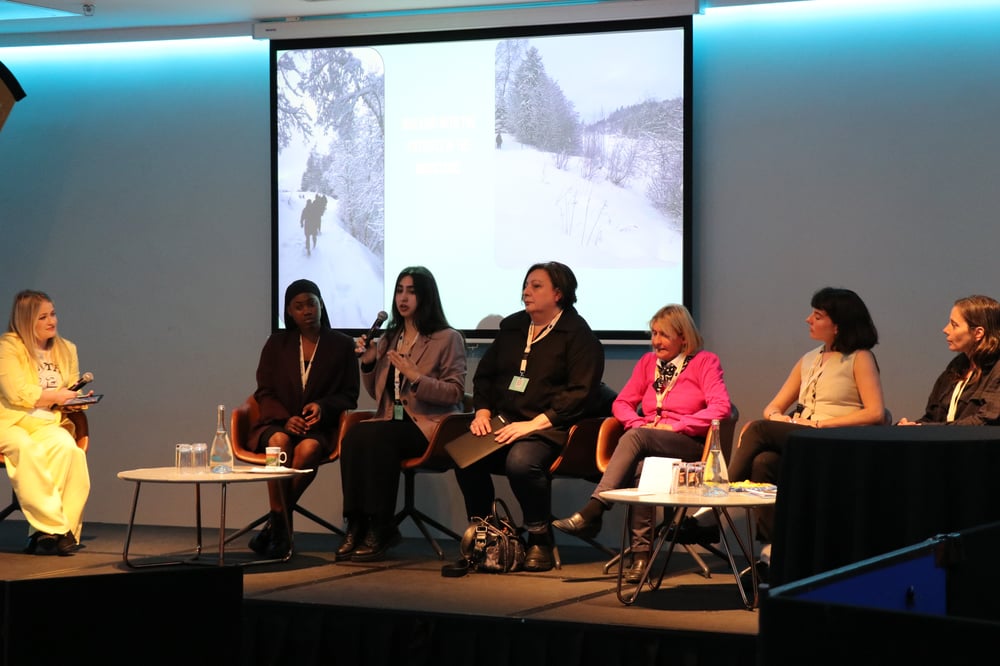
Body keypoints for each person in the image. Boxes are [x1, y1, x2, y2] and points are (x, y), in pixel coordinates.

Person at [552, 304, 731, 583]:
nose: (656, 341)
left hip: (687, 443)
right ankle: (640, 558)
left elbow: (721, 408)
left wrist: (677, 425)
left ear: (683, 337)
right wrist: (638, 423)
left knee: (637, 438)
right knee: (641, 468)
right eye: (654, 333)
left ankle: (594, 510)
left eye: (664, 335)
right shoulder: (648, 364)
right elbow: (622, 403)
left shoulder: (704, 362)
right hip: (648, 440)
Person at [722, 286, 885, 577]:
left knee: (758, 430)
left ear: (838, 325)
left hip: (834, 440)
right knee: (763, 463)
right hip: (803, 436)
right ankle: (772, 556)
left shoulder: (860, 357)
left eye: (817, 315)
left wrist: (819, 425)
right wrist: (780, 419)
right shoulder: (809, 358)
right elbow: (772, 407)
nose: (808, 319)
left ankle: (717, 498)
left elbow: (874, 413)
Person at [453, 261, 604, 572]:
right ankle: (489, 535)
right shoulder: (513, 328)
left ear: (559, 294)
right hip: (506, 422)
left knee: (521, 462)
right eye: (526, 284)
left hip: (553, 427)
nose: (526, 291)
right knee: (465, 455)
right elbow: (485, 376)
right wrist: (482, 411)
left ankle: (539, 537)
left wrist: (533, 425)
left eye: (536, 286)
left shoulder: (577, 335)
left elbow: (580, 393)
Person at [337, 266, 467, 562]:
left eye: (411, 291)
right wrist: (369, 364)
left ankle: (381, 526)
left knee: (377, 436)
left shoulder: (448, 338)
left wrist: (417, 377)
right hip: (390, 420)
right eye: (399, 290)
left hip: (428, 428)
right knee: (355, 433)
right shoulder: (389, 338)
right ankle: (356, 523)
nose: (403, 298)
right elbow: (376, 393)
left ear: (426, 297)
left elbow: (455, 393)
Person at [246, 279, 360, 558]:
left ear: (321, 304)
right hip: (277, 422)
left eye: (312, 303)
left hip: (317, 426)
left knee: (308, 449)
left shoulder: (342, 345)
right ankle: (281, 527)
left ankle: (276, 523)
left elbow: (349, 395)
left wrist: (323, 407)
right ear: (290, 312)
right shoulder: (276, 343)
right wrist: (285, 419)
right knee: (279, 443)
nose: (307, 310)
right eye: (299, 306)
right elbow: (264, 390)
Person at [0, 290, 91, 555]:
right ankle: (57, 529)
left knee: (70, 451)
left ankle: (46, 534)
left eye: (53, 313)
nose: (52, 321)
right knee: (25, 449)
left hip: (46, 422)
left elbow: (69, 388)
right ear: (27, 320)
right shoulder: (8, 346)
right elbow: (14, 392)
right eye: (43, 317)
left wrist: (76, 399)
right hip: (9, 422)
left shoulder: (66, 349)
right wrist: (54, 395)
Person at [898, 295, 1000, 425]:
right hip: (946, 445)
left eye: (954, 325)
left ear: (978, 333)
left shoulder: (996, 370)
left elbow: (985, 422)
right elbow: (932, 418)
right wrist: (909, 427)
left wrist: (923, 428)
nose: (946, 330)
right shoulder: (956, 367)